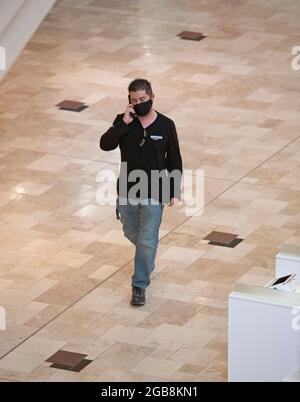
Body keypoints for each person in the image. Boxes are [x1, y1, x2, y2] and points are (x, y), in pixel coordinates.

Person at [100, 78, 182, 306]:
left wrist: (174, 190)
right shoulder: (123, 122)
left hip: (155, 190)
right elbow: (105, 145)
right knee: (131, 232)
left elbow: (174, 159)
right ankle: (147, 257)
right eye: (134, 100)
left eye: (143, 99)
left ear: (152, 98)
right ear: (129, 102)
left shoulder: (166, 125)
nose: (139, 103)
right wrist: (122, 124)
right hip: (127, 189)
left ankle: (139, 285)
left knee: (146, 239)